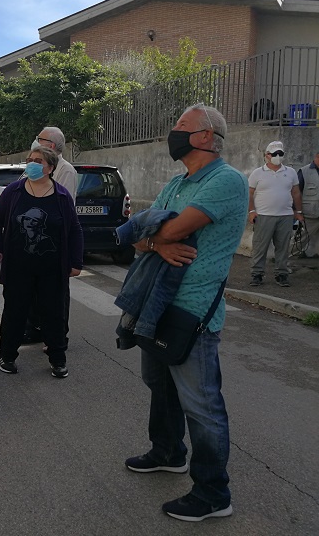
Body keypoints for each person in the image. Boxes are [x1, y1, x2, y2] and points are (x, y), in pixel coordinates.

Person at [124, 103, 247, 522]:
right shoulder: (177, 184)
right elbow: (137, 234)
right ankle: (167, 452)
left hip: (194, 310)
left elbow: (173, 228)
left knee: (201, 403)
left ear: (207, 136)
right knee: (158, 383)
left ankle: (213, 493)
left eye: (181, 125)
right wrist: (155, 244)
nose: (172, 132)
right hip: (157, 303)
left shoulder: (227, 180)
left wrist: (154, 236)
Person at [0, 145, 83, 378]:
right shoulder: (14, 191)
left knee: (54, 314)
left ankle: (58, 360)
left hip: (52, 269)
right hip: (18, 267)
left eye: (38, 161)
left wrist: (76, 262)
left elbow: (74, 229)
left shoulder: (61, 196)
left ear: (50, 168)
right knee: (15, 313)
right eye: (30, 159)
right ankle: (7, 356)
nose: (31, 163)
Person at [25, 126, 78, 348]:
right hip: (34, 240)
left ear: (51, 145)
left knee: (57, 295)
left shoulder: (65, 171)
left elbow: (64, 209)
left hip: (54, 242)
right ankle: (35, 329)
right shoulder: (34, 167)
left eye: (40, 138)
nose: (35, 141)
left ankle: (58, 337)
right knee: (34, 291)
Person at [247, 141, 304, 287]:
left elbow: (296, 193)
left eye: (280, 153)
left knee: (283, 247)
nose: (277, 156)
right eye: (274, 154)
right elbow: (249, 193)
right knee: (260, 247)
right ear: (267, 155)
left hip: (285, 216)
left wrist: (298, 212)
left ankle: (282, 274)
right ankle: (257, 274)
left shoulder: (290, 172)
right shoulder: (257, 173)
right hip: (263, 215)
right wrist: (251, 211)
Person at [297, 149, 319, 257]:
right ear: (316, 157)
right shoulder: (304, 171)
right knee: (302, 237)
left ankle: (314, 253)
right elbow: (296, 192)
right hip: (310, 212)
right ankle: (284, 255)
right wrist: (298, 211)